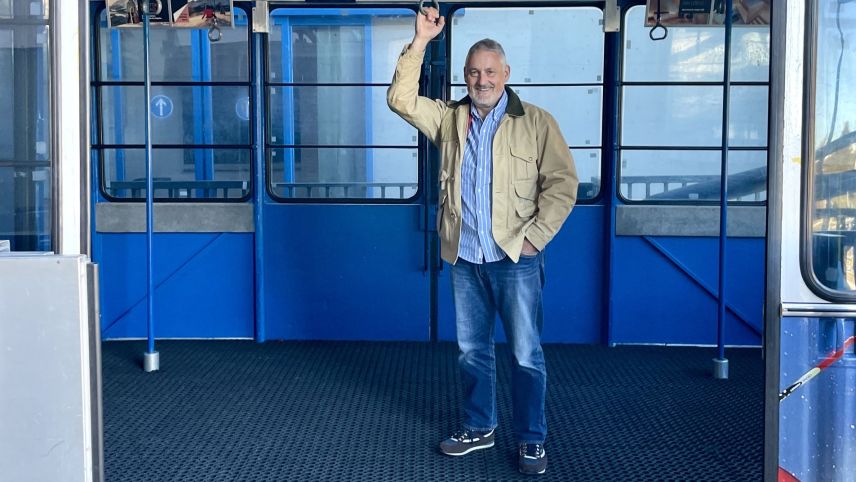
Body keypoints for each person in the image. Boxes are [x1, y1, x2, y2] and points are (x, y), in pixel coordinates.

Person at [387, 7, 578, 476]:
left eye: (490, 71)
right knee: (472, 351)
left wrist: (535, 237)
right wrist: (419, 43)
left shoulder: (536, 121)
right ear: (465, 77)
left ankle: (532, 439)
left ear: (506, 74)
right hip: (465, 258)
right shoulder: (448, 118)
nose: (481, 79)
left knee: (525, 354)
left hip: (515, 258)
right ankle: (480, 427)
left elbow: (562, 184)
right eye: (473, 72)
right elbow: (399, 99)